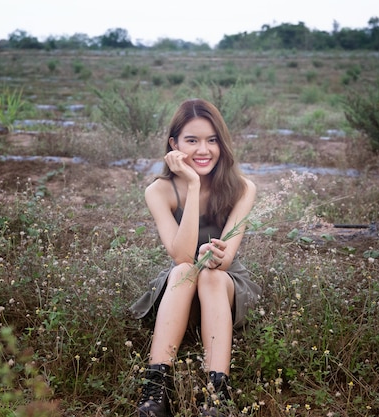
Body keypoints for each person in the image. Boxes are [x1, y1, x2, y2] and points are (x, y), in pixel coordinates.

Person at [129, 98, 262, 417]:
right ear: (174, 144)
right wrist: (191, 183)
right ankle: (155, 393)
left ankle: (217, 396)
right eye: (192, 140)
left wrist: (210, 258)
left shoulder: (242, 188)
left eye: (212, 140)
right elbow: (182, 255)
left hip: (223, 288)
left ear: (222, 143)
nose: (204, 150)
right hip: (181, 292)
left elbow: (226, 261)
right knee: (184, 271)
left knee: (211, 275)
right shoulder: (158, 191)